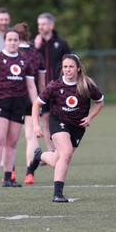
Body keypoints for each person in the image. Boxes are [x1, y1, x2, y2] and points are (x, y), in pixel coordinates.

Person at [29, 54, 104, 202]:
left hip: (78, 126)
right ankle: (57, 194)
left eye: (71, 66)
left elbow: (100, 102)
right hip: (58, 121)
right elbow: (37, 104)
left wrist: (89, 117)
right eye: (65, 67)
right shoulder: (54, 86)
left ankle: (39, 155)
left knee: (58, 160)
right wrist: (36, 125)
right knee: (67, 153)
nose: (68, 70)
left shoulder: (87, 85)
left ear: (78, 69)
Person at [0, 28, 38, 189]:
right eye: (10, 39)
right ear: (4, 41)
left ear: (19, 41)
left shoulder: (24, 61)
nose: (13, 42)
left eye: (15, 40)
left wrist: (36, 107)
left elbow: (31, 87)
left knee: (12, 143)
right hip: (0, 104)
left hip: (18, 105)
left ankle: (8, 178)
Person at [12, 22, 46, 184]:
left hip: (12, 99)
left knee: (9, 138)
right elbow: (41, 83)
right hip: (32, 100)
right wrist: (41, 101)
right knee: (31, 136)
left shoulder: (11, 52)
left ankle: (10, 171)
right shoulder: (36, 54)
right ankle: (29, 173)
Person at [34, 12, 71, 154]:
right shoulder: (34, 44)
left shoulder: (61, 44)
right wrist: (36, 48)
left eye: (43, 24)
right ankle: (51, 150)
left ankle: (61, 148)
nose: (40, 27)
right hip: (43, 88)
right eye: (39, 24)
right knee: (45, 117)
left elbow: (70, 62)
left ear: (51, 25)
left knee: (62, 116)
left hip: (60, 88)